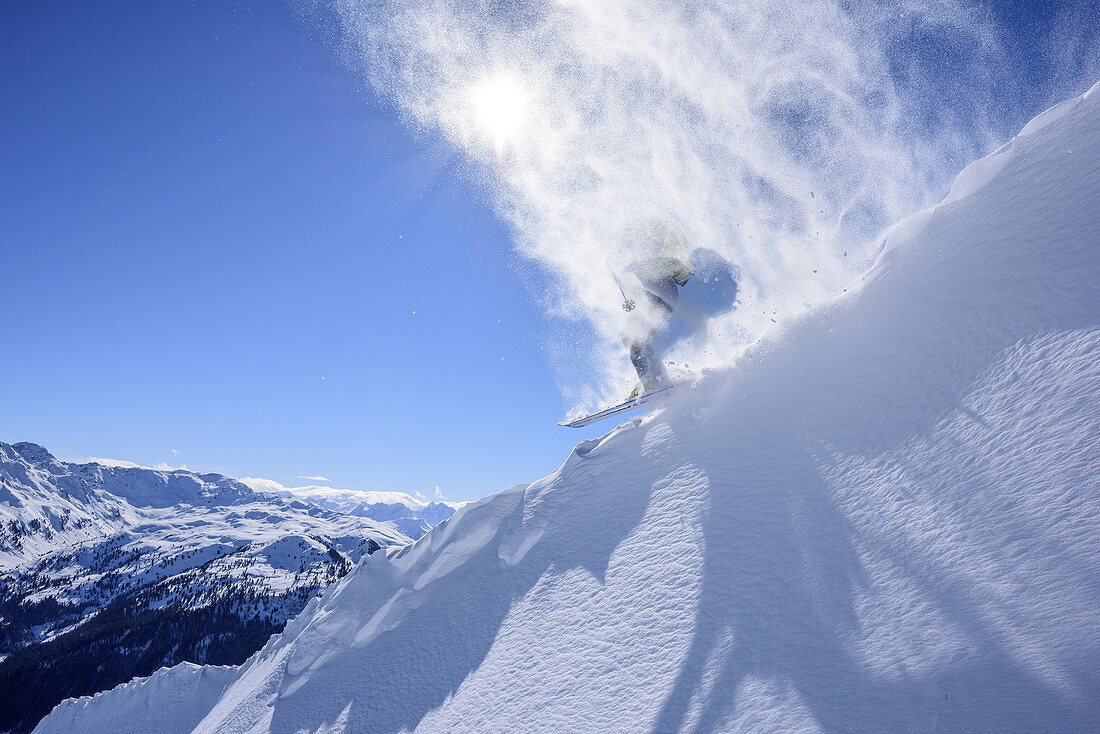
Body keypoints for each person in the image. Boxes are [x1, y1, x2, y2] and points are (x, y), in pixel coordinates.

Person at [612, 221, 695, 398]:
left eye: (625, 244)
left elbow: (678, 271)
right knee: (631, 336)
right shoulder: (635, 258)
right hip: (654, 297)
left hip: (664, 294)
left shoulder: (650, 251)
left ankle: (653, 380)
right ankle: (653, 378)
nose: (623, 249)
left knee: (634, 336)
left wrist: (642, 266)